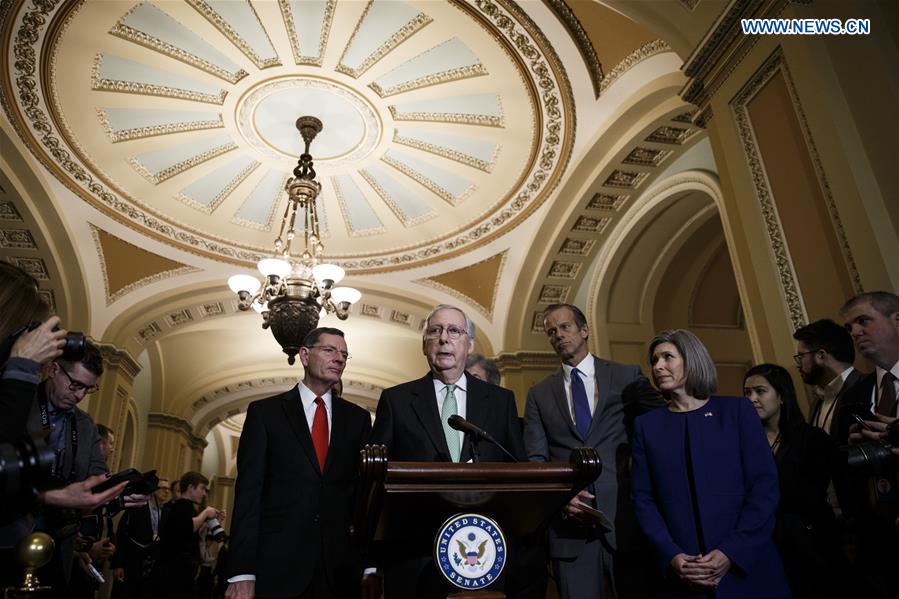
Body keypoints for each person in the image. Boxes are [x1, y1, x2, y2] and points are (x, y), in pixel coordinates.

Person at [370, 304, 525, 598]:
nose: (444, 338)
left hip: (484, 549)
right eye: (435, 331)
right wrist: (373, 559)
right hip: (414, 553)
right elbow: (376, 482)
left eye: (454, 331)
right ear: (424, 345)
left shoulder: (500, 401)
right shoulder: (396, 400)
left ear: (469, 344)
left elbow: (519, 469)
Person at [631, 329, 789, 598]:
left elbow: (764, 487)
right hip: (685, 573)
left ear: (692, 359)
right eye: (654, 360)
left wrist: (731, 551)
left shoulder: (738, 411)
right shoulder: (647, 426)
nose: (658, 366)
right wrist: (673, 556)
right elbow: (643, 499)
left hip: (747, 566)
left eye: (667, 357)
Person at [523, 303, 662, 599]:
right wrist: (561, 498)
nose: (559, 335)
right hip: (570, 529)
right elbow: (536, 460)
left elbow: (662, 425)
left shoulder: (625, 376)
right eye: (551, 331)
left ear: (584, 330)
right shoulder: (538, 394)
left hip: (625, 521)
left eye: (565, 327)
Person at [226, 327, 372, 599]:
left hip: (339, 572)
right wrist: (242, 572)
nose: (339, 358)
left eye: (344, 354)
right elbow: (248, 496)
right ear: (304, 355)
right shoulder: (265, 414)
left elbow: (363, 498)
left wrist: (370, 564)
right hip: (277, 567)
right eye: (329, 350)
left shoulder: (358, 420)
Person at [743, 363, 850, 599]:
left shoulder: (812, 439)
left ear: (781, 396)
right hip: (767, 544)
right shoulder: (743, 443)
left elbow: (839, 491)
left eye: (760, 391)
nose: (752, 399)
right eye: (747, 393)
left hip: (813, 544)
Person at [837, 291, 899, 599]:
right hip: (880, 548)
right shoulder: (854, 396)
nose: (855, 332)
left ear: (897, 321)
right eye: (850, 328)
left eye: (864, 321)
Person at [155, 472, 224, 599]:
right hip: (174, 572)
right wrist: (205, 513)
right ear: (191, 487)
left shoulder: (189, 507)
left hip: (182, 570)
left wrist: (214, 522)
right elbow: (187, 527)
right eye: (202, 488)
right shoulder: (181, 505)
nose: (204, 493)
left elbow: (193, 535)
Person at [792, 319, 862, 439]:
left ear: (821, 356)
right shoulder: (818, 400)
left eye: (801, 356)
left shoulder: (865, 388)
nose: (798, 364)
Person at [112, 477, 171, 599]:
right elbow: (122, 537)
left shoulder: (167, 513)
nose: (166, 491)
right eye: (163, 488)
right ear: (153, 489)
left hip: (153, 570)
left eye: (168, 489)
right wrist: (118, 564)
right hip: (131, 565)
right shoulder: (136, 508)